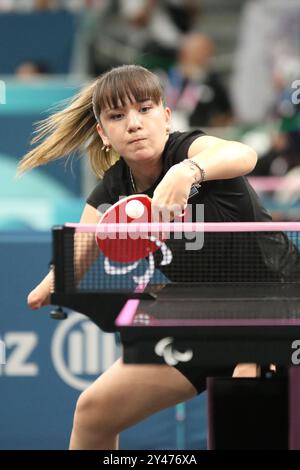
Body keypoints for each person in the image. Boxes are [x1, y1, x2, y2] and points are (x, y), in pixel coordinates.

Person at [19, 64, 271, 450]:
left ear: (166, 117)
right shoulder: (113, 187)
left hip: (270, 314)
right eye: (117, 116)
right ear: (103, 133)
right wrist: (52, 284)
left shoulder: (191, 151)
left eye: (145, 109)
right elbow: (76, 253)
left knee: (240, 411)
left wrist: (188, 172)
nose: (133, 124)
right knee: (94, 412)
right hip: (199, 322)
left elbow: (244, 153)